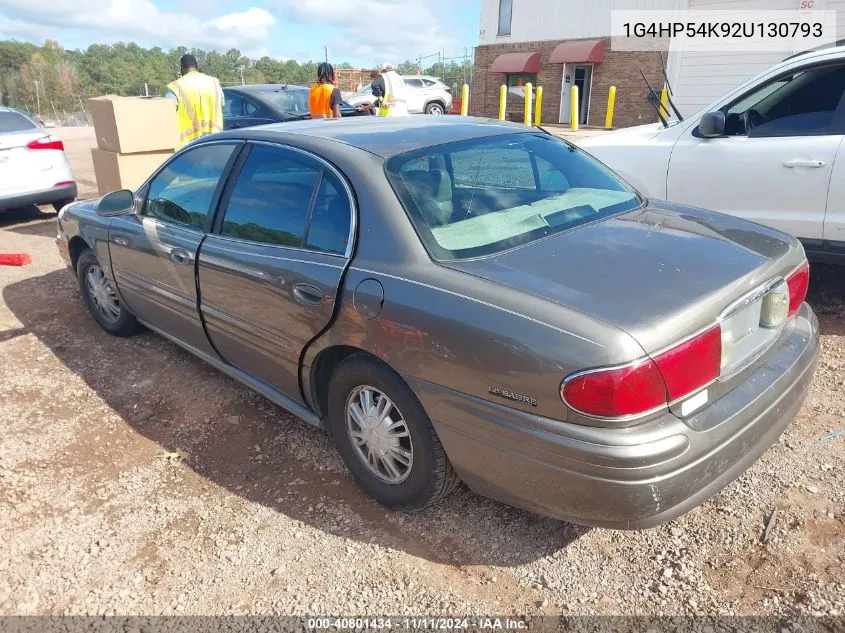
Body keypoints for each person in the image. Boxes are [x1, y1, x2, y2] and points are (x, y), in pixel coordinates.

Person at [166, 54, 224, 150]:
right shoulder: (214, 83)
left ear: (182, 68)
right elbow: (222, 105)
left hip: (188, 148)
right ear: (197, 66)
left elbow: (167, 116)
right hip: (215, 141)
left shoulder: (176, 86)